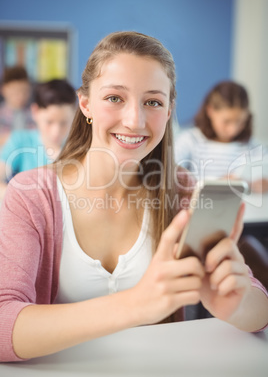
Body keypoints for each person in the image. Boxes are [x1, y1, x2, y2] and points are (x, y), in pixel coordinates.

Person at [0, 32, 267, 363]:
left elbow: (259, 309)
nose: (135, 121)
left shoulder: (183, 192)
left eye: (153, 102)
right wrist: (135, 304)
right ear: (85, 104)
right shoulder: (31, 194)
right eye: (115, 98)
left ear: (169, 111)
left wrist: (238, 304)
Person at [174, 81, 268, 193]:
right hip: (204, 205)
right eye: (227, 121)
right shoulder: (190, 140)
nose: (233, 129)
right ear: (210, 111)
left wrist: (251, 185)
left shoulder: (253, 146)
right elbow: (170, 177)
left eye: (240, 121)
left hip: (243, 208)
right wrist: (218, 184)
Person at [0, 79, 76, 200]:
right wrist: (25, 198)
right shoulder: (20, 140)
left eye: (64, 123)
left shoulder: (79, 147)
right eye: (49, 122)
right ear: (35, 112)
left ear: (74, 115)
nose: (56, 132)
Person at [0, 66, 35, 147]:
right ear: (3, 89)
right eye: (15, 92)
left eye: (25, 91)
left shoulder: (35, 113)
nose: (21, 96)